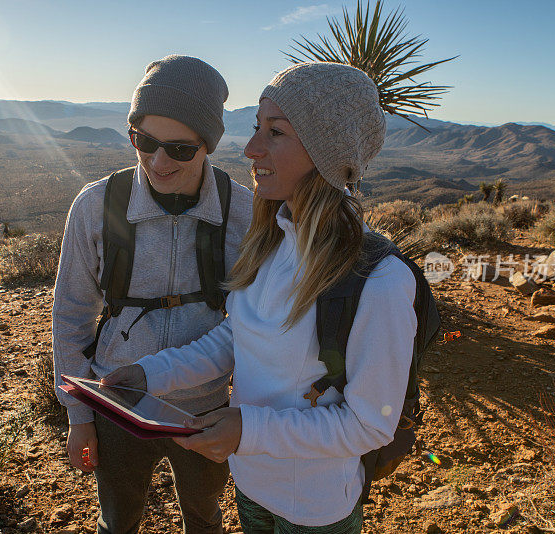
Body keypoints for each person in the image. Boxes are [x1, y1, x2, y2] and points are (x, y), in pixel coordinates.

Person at [105, 62, 417, 533]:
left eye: (275, 133)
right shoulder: (272, 240)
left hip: (314, 509)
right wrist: (149, 375)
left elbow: (370, 424)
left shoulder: (379, 280)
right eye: (256, 128)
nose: (251, 149)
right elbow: (236, 337)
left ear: (326, 153)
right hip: (251, 484)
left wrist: (248, 431)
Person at [52, 55, 253, 534]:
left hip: (206, 409)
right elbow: (71, 315)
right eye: (144, 142)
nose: (158, 162)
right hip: (116, 402)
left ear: (208, 144)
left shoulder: (241, 212)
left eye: (180, 150)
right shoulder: (96, 206)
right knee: (117, 521)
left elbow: (254, 325)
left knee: (205, 519)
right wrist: (79, 415)